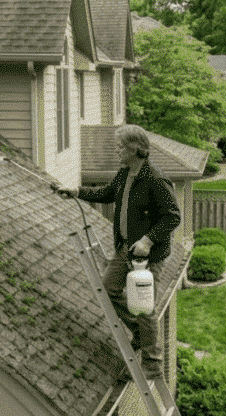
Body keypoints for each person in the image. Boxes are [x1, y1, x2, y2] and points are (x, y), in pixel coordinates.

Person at [53, 124, 181, 379]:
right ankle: (139, 331)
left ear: (135, 148)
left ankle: (152, 363)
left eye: (120, 146)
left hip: (147, 255)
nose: (116, 151)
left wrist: (147, 240)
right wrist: (76, 192)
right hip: (125, 248)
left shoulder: (155, 179)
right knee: (107, 291)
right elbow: (107, 193)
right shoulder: (124, 175)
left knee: (144, 307)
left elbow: (172, 217)